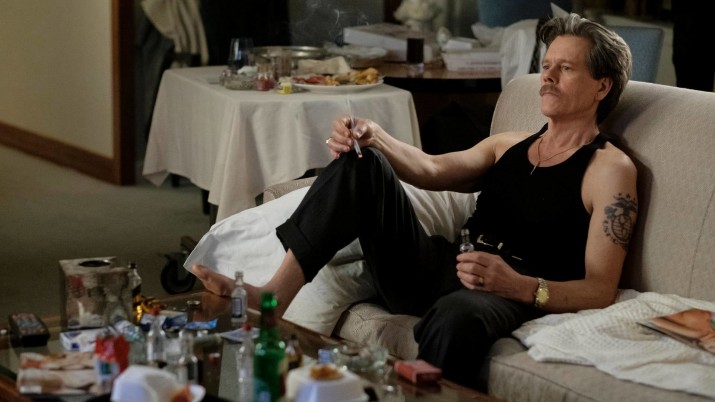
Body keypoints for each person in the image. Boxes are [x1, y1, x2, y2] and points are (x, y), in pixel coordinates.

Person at [192, 13, 638, 388]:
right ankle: (273, 295)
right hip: (437, 269)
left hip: (502, 292)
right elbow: (431, 169)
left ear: (602, 87)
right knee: (363, 161)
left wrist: (518, 285)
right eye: (547, 65)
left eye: (566, 68)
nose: (548, 77)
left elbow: (600, 288)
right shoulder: (510, 144)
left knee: (459, 316)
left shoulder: (610, 169)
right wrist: (374, 136)